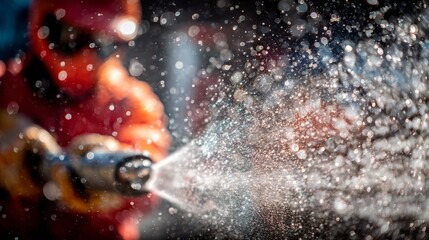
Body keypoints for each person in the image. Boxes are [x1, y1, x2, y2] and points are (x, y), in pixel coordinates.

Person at [0, 0, 171, 239]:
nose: (88, 57)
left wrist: (114, 185)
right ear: (43, 25)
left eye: (102, 44)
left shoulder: (132, 103)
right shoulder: (4, 86)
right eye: (72, 37)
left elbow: (148, 169)